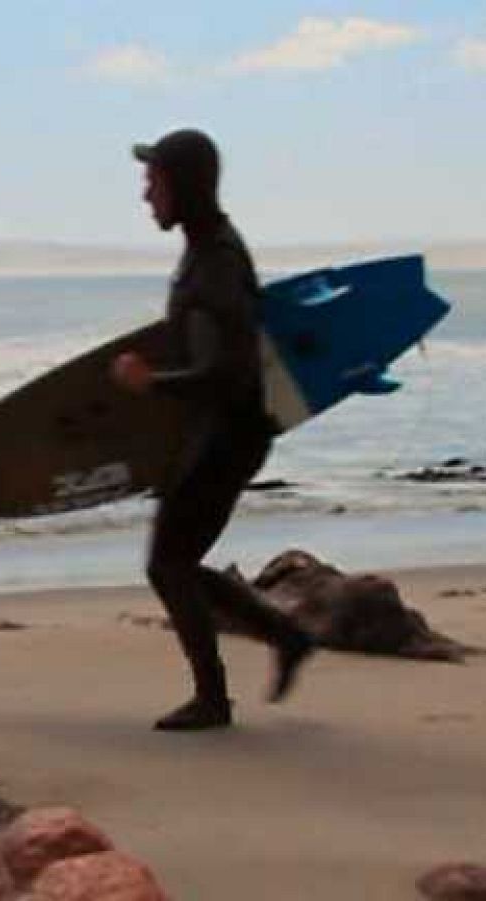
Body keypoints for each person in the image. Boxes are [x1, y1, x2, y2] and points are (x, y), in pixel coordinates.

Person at [111, 128, 316, 731]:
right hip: (221, 432)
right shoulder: (207, 249)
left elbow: (223, 373)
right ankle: (285, 638)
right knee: (174, 561)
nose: (146, 194)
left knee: (169, 564)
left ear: (184, 185)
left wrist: (150, 382)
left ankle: (215, 698)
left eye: (154, 181)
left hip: (230, 435)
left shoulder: (216, 263)